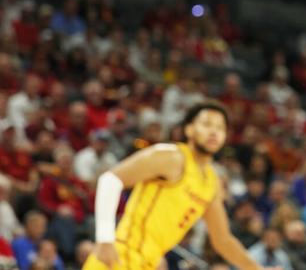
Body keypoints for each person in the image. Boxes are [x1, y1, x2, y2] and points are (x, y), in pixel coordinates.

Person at [83, 101, 274, 270]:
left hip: (149, 263)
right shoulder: (171, 156)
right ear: (189, 129)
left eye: (220, 127)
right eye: (207, 124)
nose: (214, 132)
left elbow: (223, 240)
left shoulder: (211, 182)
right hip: (119, 256)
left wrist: (256, 268)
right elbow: (110, 180)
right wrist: (105, 238)